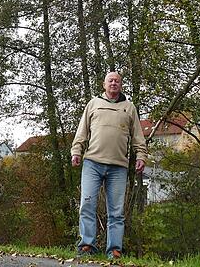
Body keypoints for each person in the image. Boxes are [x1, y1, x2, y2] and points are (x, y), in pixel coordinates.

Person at [70, 71, 148, 259]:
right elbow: (82, 131)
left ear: (121, 85)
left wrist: (141, 156)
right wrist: (76, 151)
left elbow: (138, 137)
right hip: (92, 163)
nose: (114, 83)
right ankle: (87, 246)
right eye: (110, 80)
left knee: (116, 211)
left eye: (117, 81)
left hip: (118, 166)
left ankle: (114, 250)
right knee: (87, 204)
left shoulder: (129, 108)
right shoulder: (93, 104)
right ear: (104, 84)